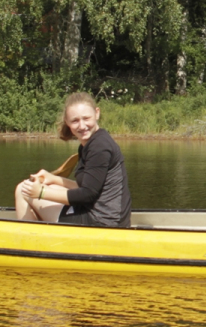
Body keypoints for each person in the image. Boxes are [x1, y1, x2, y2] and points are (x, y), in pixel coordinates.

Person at [15, 92, 133, 227]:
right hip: (99, 215)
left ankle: (30, 238)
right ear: (67, 122)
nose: (82, 126)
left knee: (23, 190)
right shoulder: (90, 144)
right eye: (75, 121)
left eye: (86, 118)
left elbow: (87, 194)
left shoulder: (100, 147)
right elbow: (88, 186)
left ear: (97, 113)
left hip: (102, 223)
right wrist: (54, 179)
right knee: (46, 187)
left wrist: (41, 193)